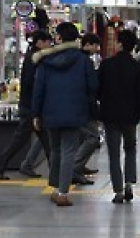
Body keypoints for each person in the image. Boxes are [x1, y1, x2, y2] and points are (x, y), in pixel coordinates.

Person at [32, 22, 98, 206]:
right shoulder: (84, 60)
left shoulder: (45, 60)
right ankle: (62, 192)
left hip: (50, 112)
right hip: (75, 111)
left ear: (59, 38)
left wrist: (36, 114)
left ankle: (55, 188)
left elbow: (39, 90)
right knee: (69, 150)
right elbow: (93, 86)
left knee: (55, 150)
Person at [97, 29, 140, 204]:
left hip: (110, 115)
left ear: (120, 44)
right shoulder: (137, 67)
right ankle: (129, 183)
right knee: (130, 149)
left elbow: (97, 90)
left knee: (113, 153)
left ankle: (118, 191)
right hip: (130, 116)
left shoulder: (106, 65)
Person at [0, 30, 52, 180]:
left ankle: (11, 166)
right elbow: (32, 82)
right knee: (30, 140)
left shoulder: (32, 56)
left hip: (30, 105)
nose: (49, 45)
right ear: (40, 42)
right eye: (47, 42)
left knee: (44, 140)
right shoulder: (36, 58)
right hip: (31, 107)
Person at [72, 33, 103, 185]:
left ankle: (79, 166)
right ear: (88, 44)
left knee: (81, 137)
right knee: (93, 137)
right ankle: (75, 168)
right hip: (85, 106)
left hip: (74, 104)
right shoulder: (86, 61)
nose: (97, 49)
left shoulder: (74, 59)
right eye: (96, 45)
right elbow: (92, 85)